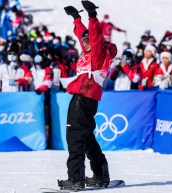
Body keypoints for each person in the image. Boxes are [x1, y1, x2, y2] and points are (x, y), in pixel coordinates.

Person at [58, 0, 117, 190]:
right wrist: (77, 18)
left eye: (87, 40)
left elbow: (95, 36)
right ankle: (101, 174)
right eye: (84, 41)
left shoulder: (98, 53)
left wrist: (92, 16)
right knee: (87, 138)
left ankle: (75, 178)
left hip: (83, 98)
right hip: (87, 99)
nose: (84, 43)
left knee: (75, 137)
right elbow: (82, 34)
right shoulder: (89, 51)